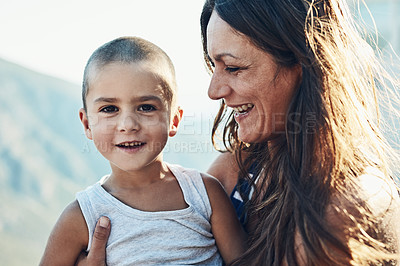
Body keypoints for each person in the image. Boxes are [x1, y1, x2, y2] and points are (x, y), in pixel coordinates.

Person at [77, 0, 400, 265]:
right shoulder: (233, 175)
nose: (214, 90)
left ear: (301, 66)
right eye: (213, 66)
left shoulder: (351, 207)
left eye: (233, 67)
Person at [39, 36, 246, 266]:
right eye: (109, 109)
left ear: (174, 120)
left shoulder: (205, 194)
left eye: (146, 107)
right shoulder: (81, 218)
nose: (128, 124)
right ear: (87, 124)